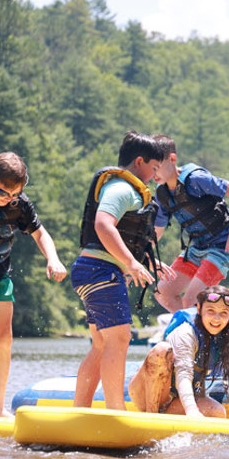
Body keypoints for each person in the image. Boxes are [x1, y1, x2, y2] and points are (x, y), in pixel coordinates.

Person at [71, 131, 174, 410]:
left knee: (101, 344)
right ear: (139, 162)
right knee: (119, 339)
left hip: (92, 269)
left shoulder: (127, 189)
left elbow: (123, 238)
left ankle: (80, 410)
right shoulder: (121, 189)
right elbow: (103, 225)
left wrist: (146, 262)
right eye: (154, 168)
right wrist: (131, 263)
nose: (156, 175)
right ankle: (115, 410)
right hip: (101, 270)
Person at [0, 152, 67, 417]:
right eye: (3, 192)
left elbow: (40, 233)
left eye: (15, 193)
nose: (8, 198)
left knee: (3, 341)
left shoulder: (19, 204)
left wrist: (53, 259)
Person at [128, 285, 229, 418]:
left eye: (224, 313)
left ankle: (167, 423)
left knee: (217, 412)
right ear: (199, 309)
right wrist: (192, 410)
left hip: (174, 399)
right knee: (161, 350)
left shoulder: (222, 337)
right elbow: (183, 375)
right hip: (147, 393)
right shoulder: (186, 333)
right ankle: (151, 416)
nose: (217, 318)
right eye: (210, 311)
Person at [151, 135, 229, 313]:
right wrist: (135, 261)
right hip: (197, 248)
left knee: (190, 300)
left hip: (222, 247)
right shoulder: (162, 194)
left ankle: (202, 326)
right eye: (150, 168)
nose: (153, 173)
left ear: (172, 159)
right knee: (163, 292)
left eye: (156, 167)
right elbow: (157, 232)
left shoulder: (196, 179)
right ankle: (192, 328)